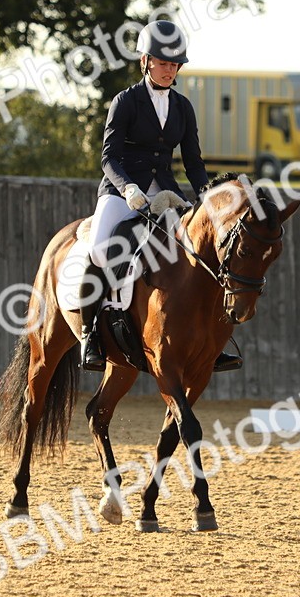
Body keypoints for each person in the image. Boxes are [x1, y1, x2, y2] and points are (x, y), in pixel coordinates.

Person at [78, 19, 239, 373]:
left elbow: (194, 162)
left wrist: (206, 200)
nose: (170, 70)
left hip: (166, 194)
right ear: (146, 62)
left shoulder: (182, 107)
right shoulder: (125, 101)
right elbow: (108, 157)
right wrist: (127, 188)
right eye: (163, 63)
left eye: (174, 64)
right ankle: (91, 334)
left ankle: (214, 340)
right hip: (124, 192)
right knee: (100, 249)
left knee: (198, 255)